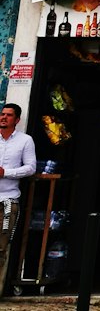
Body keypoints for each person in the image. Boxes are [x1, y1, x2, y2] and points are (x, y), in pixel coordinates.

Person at [0, 102, 36, 294]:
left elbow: (31, 168)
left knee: (2, 246)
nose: (3, 117)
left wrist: (6, 172)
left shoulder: (25, 141)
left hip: (8, 199)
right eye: (2, 114)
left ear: (17, 120)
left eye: (8, 115)